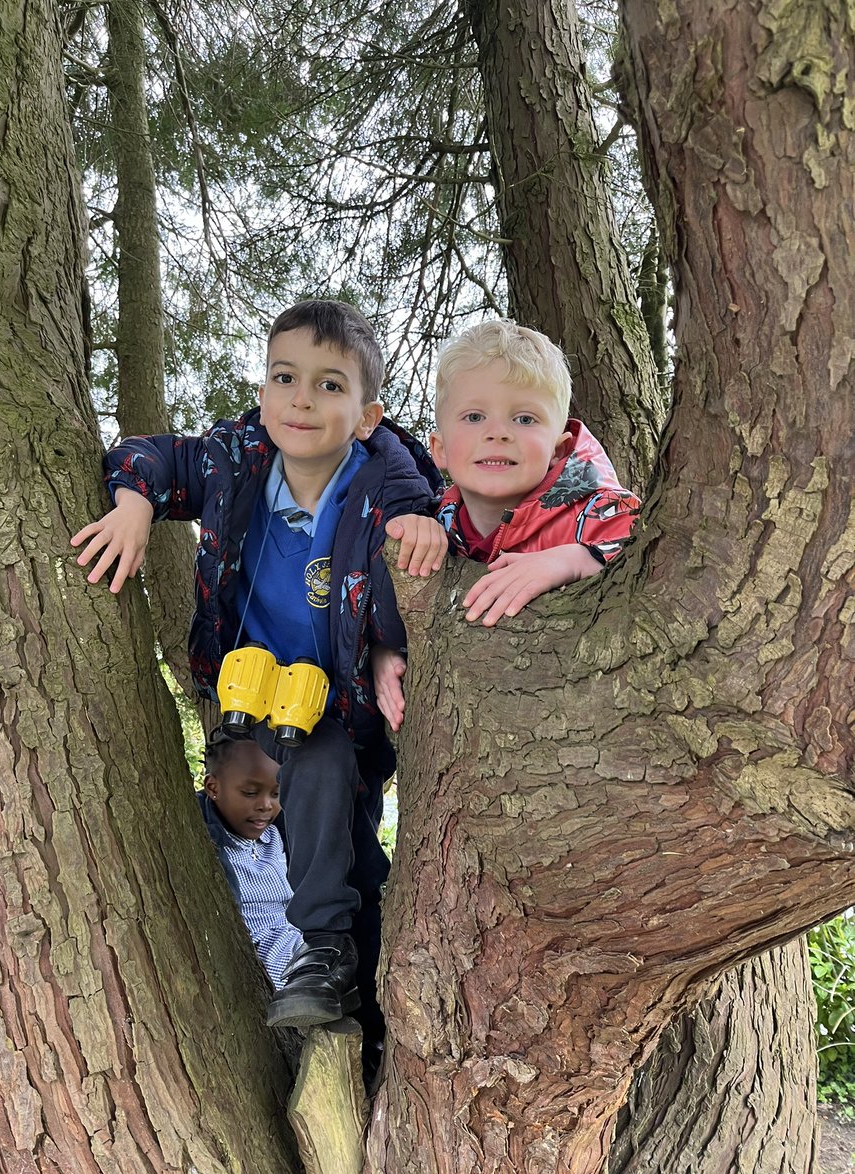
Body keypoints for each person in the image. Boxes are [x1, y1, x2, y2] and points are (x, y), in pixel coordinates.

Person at [71, 299, 446, 1042]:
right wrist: (134, 507)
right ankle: (299, 956)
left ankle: (349, 987)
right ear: (265, 389)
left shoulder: (385, 496)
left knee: (352, 847)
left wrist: (397, 622)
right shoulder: (233, 463)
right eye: (284, 377)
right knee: (271, 806)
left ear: (367, 416)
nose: (301, 398)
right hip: (249, 700)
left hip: (337, 709)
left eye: (330, 385)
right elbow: (146, 455)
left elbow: (416, 569)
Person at [432, 319, 639, 621]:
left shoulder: (602, 510)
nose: (498, 433)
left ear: (557, 450)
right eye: (474, 416)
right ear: (440, 449)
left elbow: (656, 554)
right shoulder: (437, 522)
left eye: (525, 419)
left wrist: (577, 560)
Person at [200, 733, 302, 989]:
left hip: (296, 936)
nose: (265, 805)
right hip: (261, 951)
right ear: (213, 788)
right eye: (249, 793)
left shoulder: (276, 836)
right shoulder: (209, 844)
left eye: (276, 793)